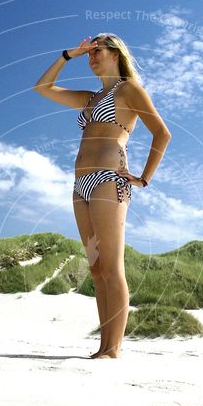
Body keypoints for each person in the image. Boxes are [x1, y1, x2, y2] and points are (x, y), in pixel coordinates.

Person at [33, 33, 171, 358]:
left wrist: (144, 179)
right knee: (96, 270)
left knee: (111, 266)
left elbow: (162, 134)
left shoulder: (129, 90)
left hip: (109, 181)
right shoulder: (91, 97)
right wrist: (69, 55)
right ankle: (103, 346)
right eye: (89, 52)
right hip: (80, 185)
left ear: (115, 53)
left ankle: (114, 349)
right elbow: (43, 88)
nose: (91, 56)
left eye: (97, 50)